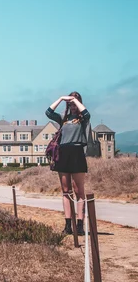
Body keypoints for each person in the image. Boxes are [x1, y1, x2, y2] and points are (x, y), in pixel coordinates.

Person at [46, 91, 91, 236]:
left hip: (77, 153)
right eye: (70, 103)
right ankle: (67, 226)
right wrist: (61, 98)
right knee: (66, 191)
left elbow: (86, 113)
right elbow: (48, 112)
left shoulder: (83, 118)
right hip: (63, 153)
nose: (72, 105)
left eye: (75, 102)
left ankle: (79, 225)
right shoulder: (63, 118)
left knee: (79, 192)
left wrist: (76, 100)